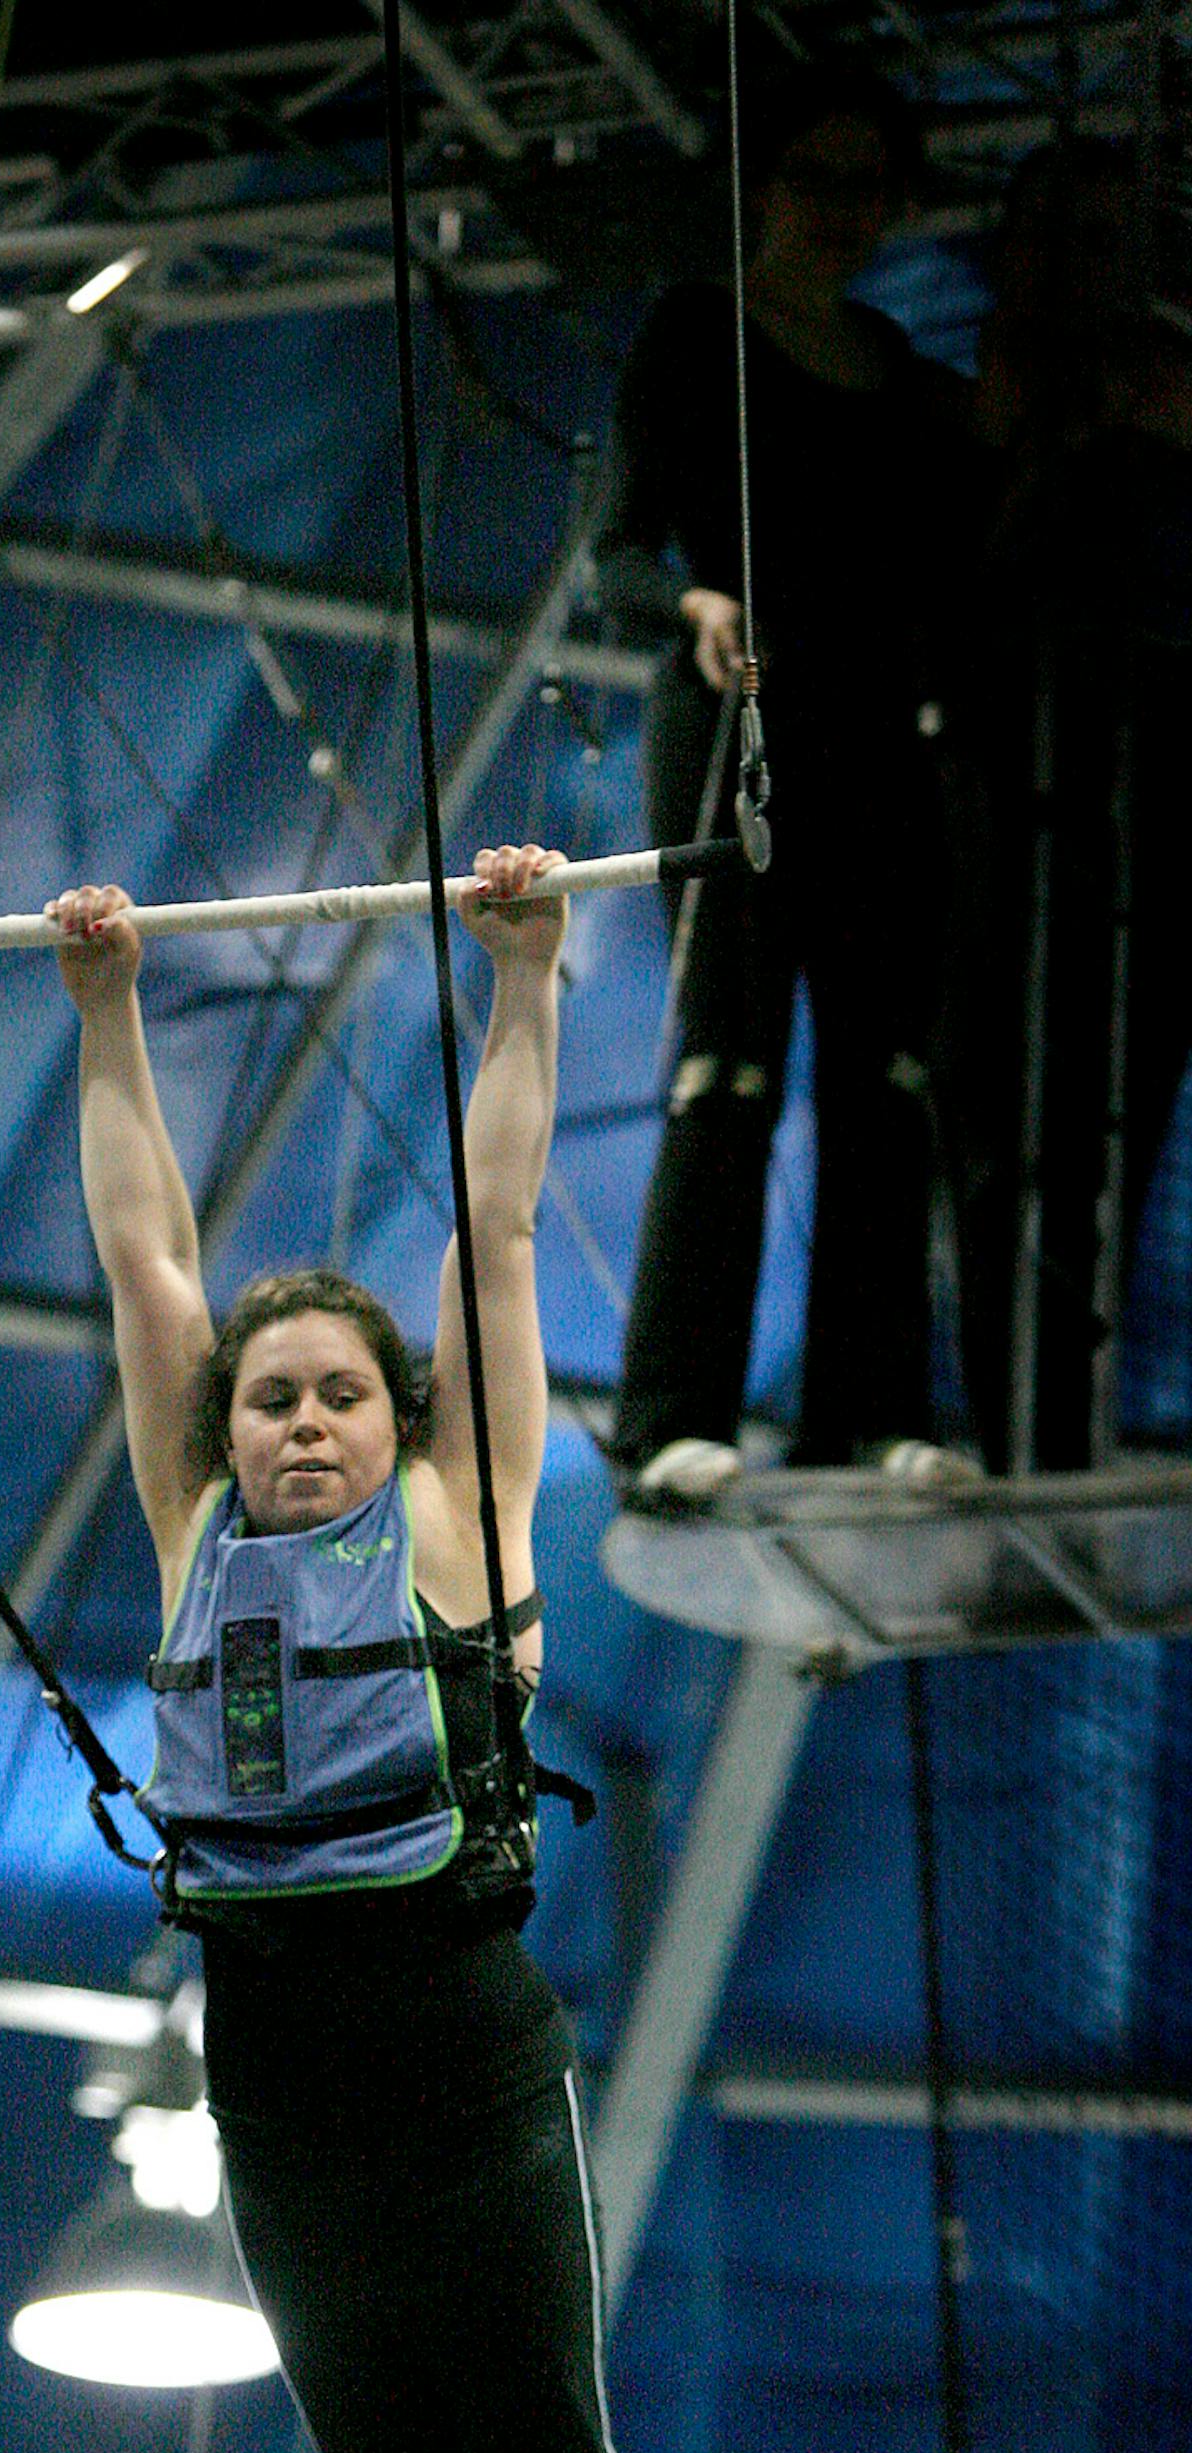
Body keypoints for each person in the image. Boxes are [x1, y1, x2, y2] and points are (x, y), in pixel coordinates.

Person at [51, 846, 717, 2453]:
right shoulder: (193, 1537)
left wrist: (525, 976)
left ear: (399, 1417)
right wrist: (105, 1006)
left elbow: (495, 1226)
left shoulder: (458, 1526)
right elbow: (146, 1253)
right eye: (271, 1401)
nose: (304, 1424)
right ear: (225, 1432)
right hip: (278, 2093)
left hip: (463, 2070)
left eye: (342, 1393)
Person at [598, 71, 982, 1502]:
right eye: (815, 177)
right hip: (735, 724)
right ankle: (668, 1419)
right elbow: (618, 551)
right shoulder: (696, 331)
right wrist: (695, 604)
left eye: (865, 185)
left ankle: (866, 1412)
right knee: (731, 1067)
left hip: (880, 745)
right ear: (763, 187)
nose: (840, 210)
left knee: (887, 1079)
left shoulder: (897, 368)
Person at [944, 141, 1192, 1469]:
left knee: (1116, 1123)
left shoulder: (1162, 396)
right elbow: (958, 588)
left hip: (1148, 802)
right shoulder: (993, 398)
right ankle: (1018, 1431)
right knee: (1002, 1129)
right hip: (1012, 801)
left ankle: (1067, 1428)